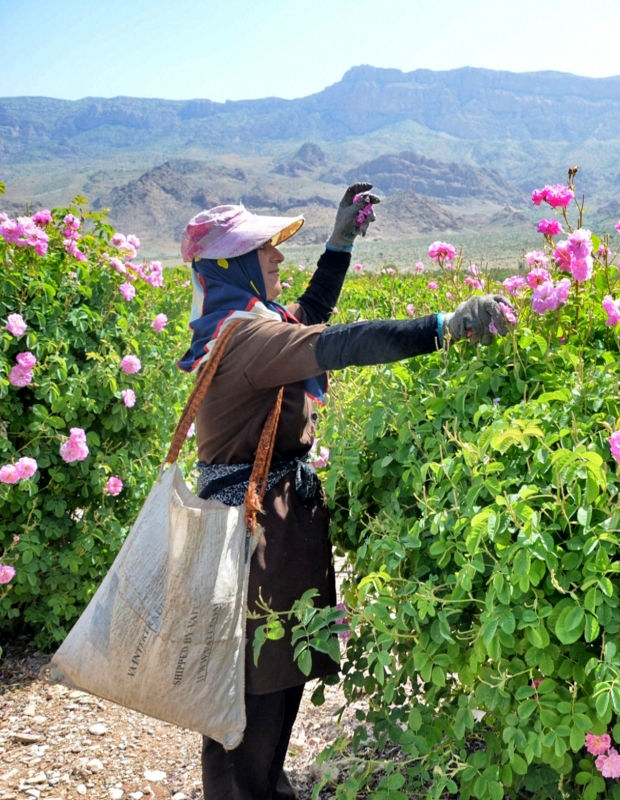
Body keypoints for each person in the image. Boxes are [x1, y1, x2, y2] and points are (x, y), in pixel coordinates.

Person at [177, 183, 513, 800]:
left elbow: (311, 317)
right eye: (263, 250)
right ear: (231, 266)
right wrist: (443, 325)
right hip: (254, 535)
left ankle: (260, 788)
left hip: (267, 521)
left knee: (268, 677)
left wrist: (339, 244)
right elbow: (337, 342)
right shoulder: (249, 340)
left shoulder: (249, 324)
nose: (277, 257)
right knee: (259, 684)